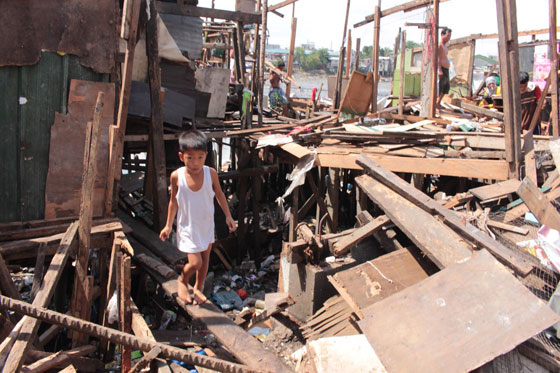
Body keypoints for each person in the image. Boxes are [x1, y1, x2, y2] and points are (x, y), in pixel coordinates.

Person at [159, 130, 237, 305]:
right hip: (187, 227)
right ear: (181, 156)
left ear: (206, 156)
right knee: (195, 263)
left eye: (200, 157)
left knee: (205, 260)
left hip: (206, 225)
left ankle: (198, 288)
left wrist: (228, 216)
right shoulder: (177, 176)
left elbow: (220, 195)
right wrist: (168, 225)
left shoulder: (211, 174)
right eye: (190, 158)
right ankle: (183, 280)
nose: (196, 163)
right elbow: (173, 202)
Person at [437, 28, 452, 108]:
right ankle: (436, 103)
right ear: (442, 35)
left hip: (446, 68)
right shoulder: (439, 45)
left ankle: (438, 102)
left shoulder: (445, 46)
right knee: (441, 87)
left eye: (450, 36)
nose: (449, 37)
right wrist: (439, 69)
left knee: (446, 87)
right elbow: (438, 58)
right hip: (442, 68)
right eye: (447, 35)